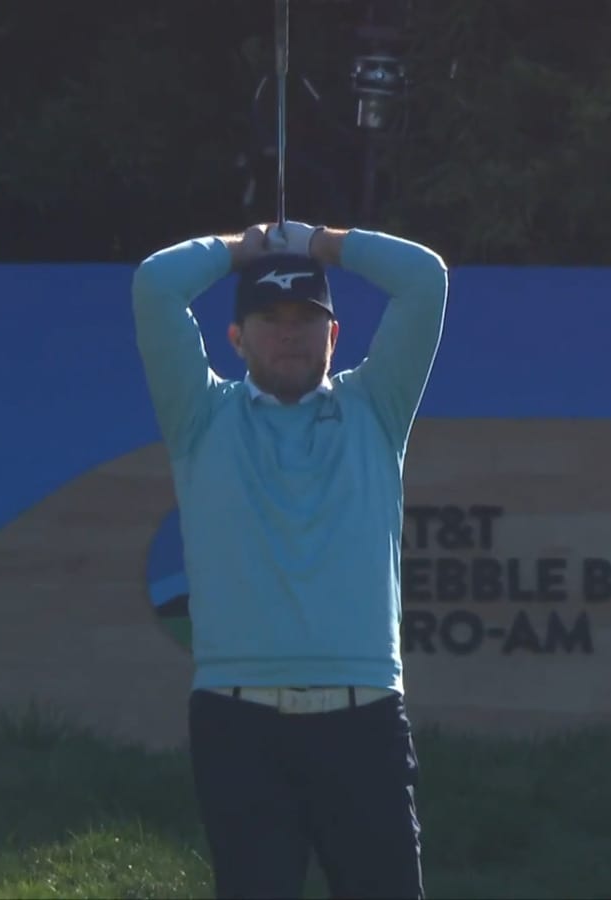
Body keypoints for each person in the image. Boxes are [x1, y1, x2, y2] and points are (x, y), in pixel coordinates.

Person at [132, 220, 448, 898]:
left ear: (333, 336)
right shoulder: (200, 417)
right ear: (236, 337)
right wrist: (240, 249)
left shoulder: (377, 407)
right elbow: (156, 285)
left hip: (363, 717)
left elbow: (426, 280)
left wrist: (321, 242)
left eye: (306, 319)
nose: (289, 334)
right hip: (238, 723)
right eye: (269, 319)